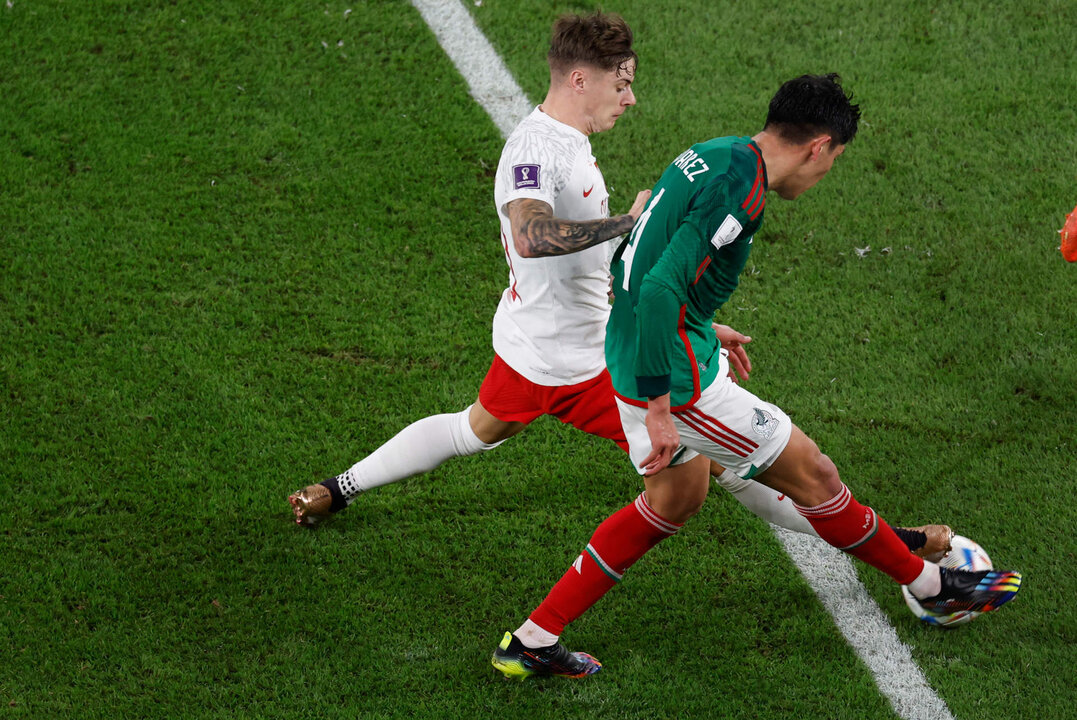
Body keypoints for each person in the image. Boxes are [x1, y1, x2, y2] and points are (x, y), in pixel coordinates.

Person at [287, 15, 953, 562]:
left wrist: (687, 319)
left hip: (532, 344)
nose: (629, 97)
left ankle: (336, 488)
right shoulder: (534, 151)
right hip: (590, 363)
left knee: (475, 428)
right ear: (581, 78)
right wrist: (629, 224)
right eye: (621, 83)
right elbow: (531, 236)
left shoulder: (567, 143)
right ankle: (900, 549)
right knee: (730, 467)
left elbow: (594, 264)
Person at [491, 73, 1021, 679]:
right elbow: (662, 283)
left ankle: (531, 640)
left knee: (672, 502)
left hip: (633, 352)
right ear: (819, 146)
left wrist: (700, 325)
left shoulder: (715, 153)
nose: (825, 175)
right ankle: (932, 585)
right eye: (834, 161)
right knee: (815, 474)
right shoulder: (741, 194)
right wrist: (663, 406)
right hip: (678, 383)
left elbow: (638, 252)